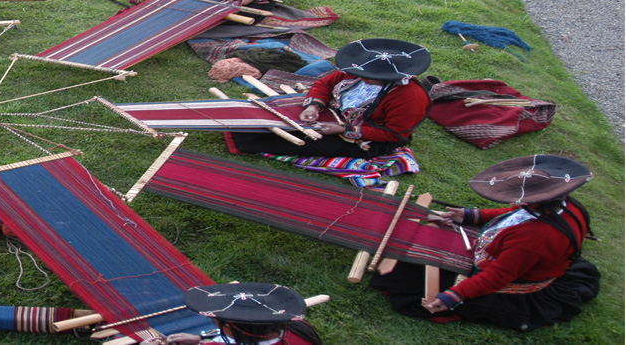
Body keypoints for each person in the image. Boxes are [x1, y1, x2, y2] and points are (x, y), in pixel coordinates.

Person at [371, 155, 599, 331]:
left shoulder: (535, 238)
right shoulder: (561, 205)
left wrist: (453, 296)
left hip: (510, 279)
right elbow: (513, 213)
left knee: (400, 277)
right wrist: (470, 216)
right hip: (514, 256)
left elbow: (498, 276)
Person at [227, 38, 431, 158]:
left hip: (368, 135)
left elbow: (395, 133)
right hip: (331, 112)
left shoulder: (409, 97)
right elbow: (324, 84)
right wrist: (314, 107)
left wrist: (344, 129)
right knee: (277, 114)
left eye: (371, 78)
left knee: (303, 141)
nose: (361, 79)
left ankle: (245, 138)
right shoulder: (355, 71)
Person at [140, 282, 323, 345]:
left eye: (217, 322)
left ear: (230, 328)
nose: (214, 322)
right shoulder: (299, 329)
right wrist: (201, 339)